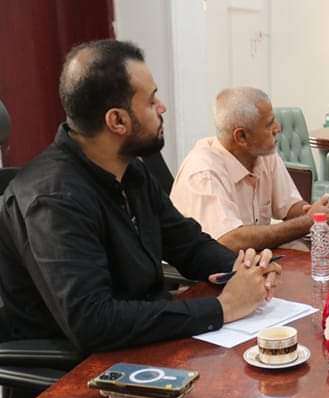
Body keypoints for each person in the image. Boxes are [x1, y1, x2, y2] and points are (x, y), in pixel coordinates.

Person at [0, 40, 279, 353]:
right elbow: (93, 321)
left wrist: (246, 269)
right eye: (151, 100)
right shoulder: (53, 199)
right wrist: (222, 308)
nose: (162, 107)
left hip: (147, 337)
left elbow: (188, 245)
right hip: (82, 366)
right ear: (117, 121)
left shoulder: (130, 170)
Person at [170, 87, 329, 252]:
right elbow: (229, 241)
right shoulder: (203, 173)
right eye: (269, 124)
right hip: (214, 268)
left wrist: (313, 211)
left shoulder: (263, 153)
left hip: (255, 260)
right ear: (241, 136)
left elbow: (289, 206)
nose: (278, 128)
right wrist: (308, 222)